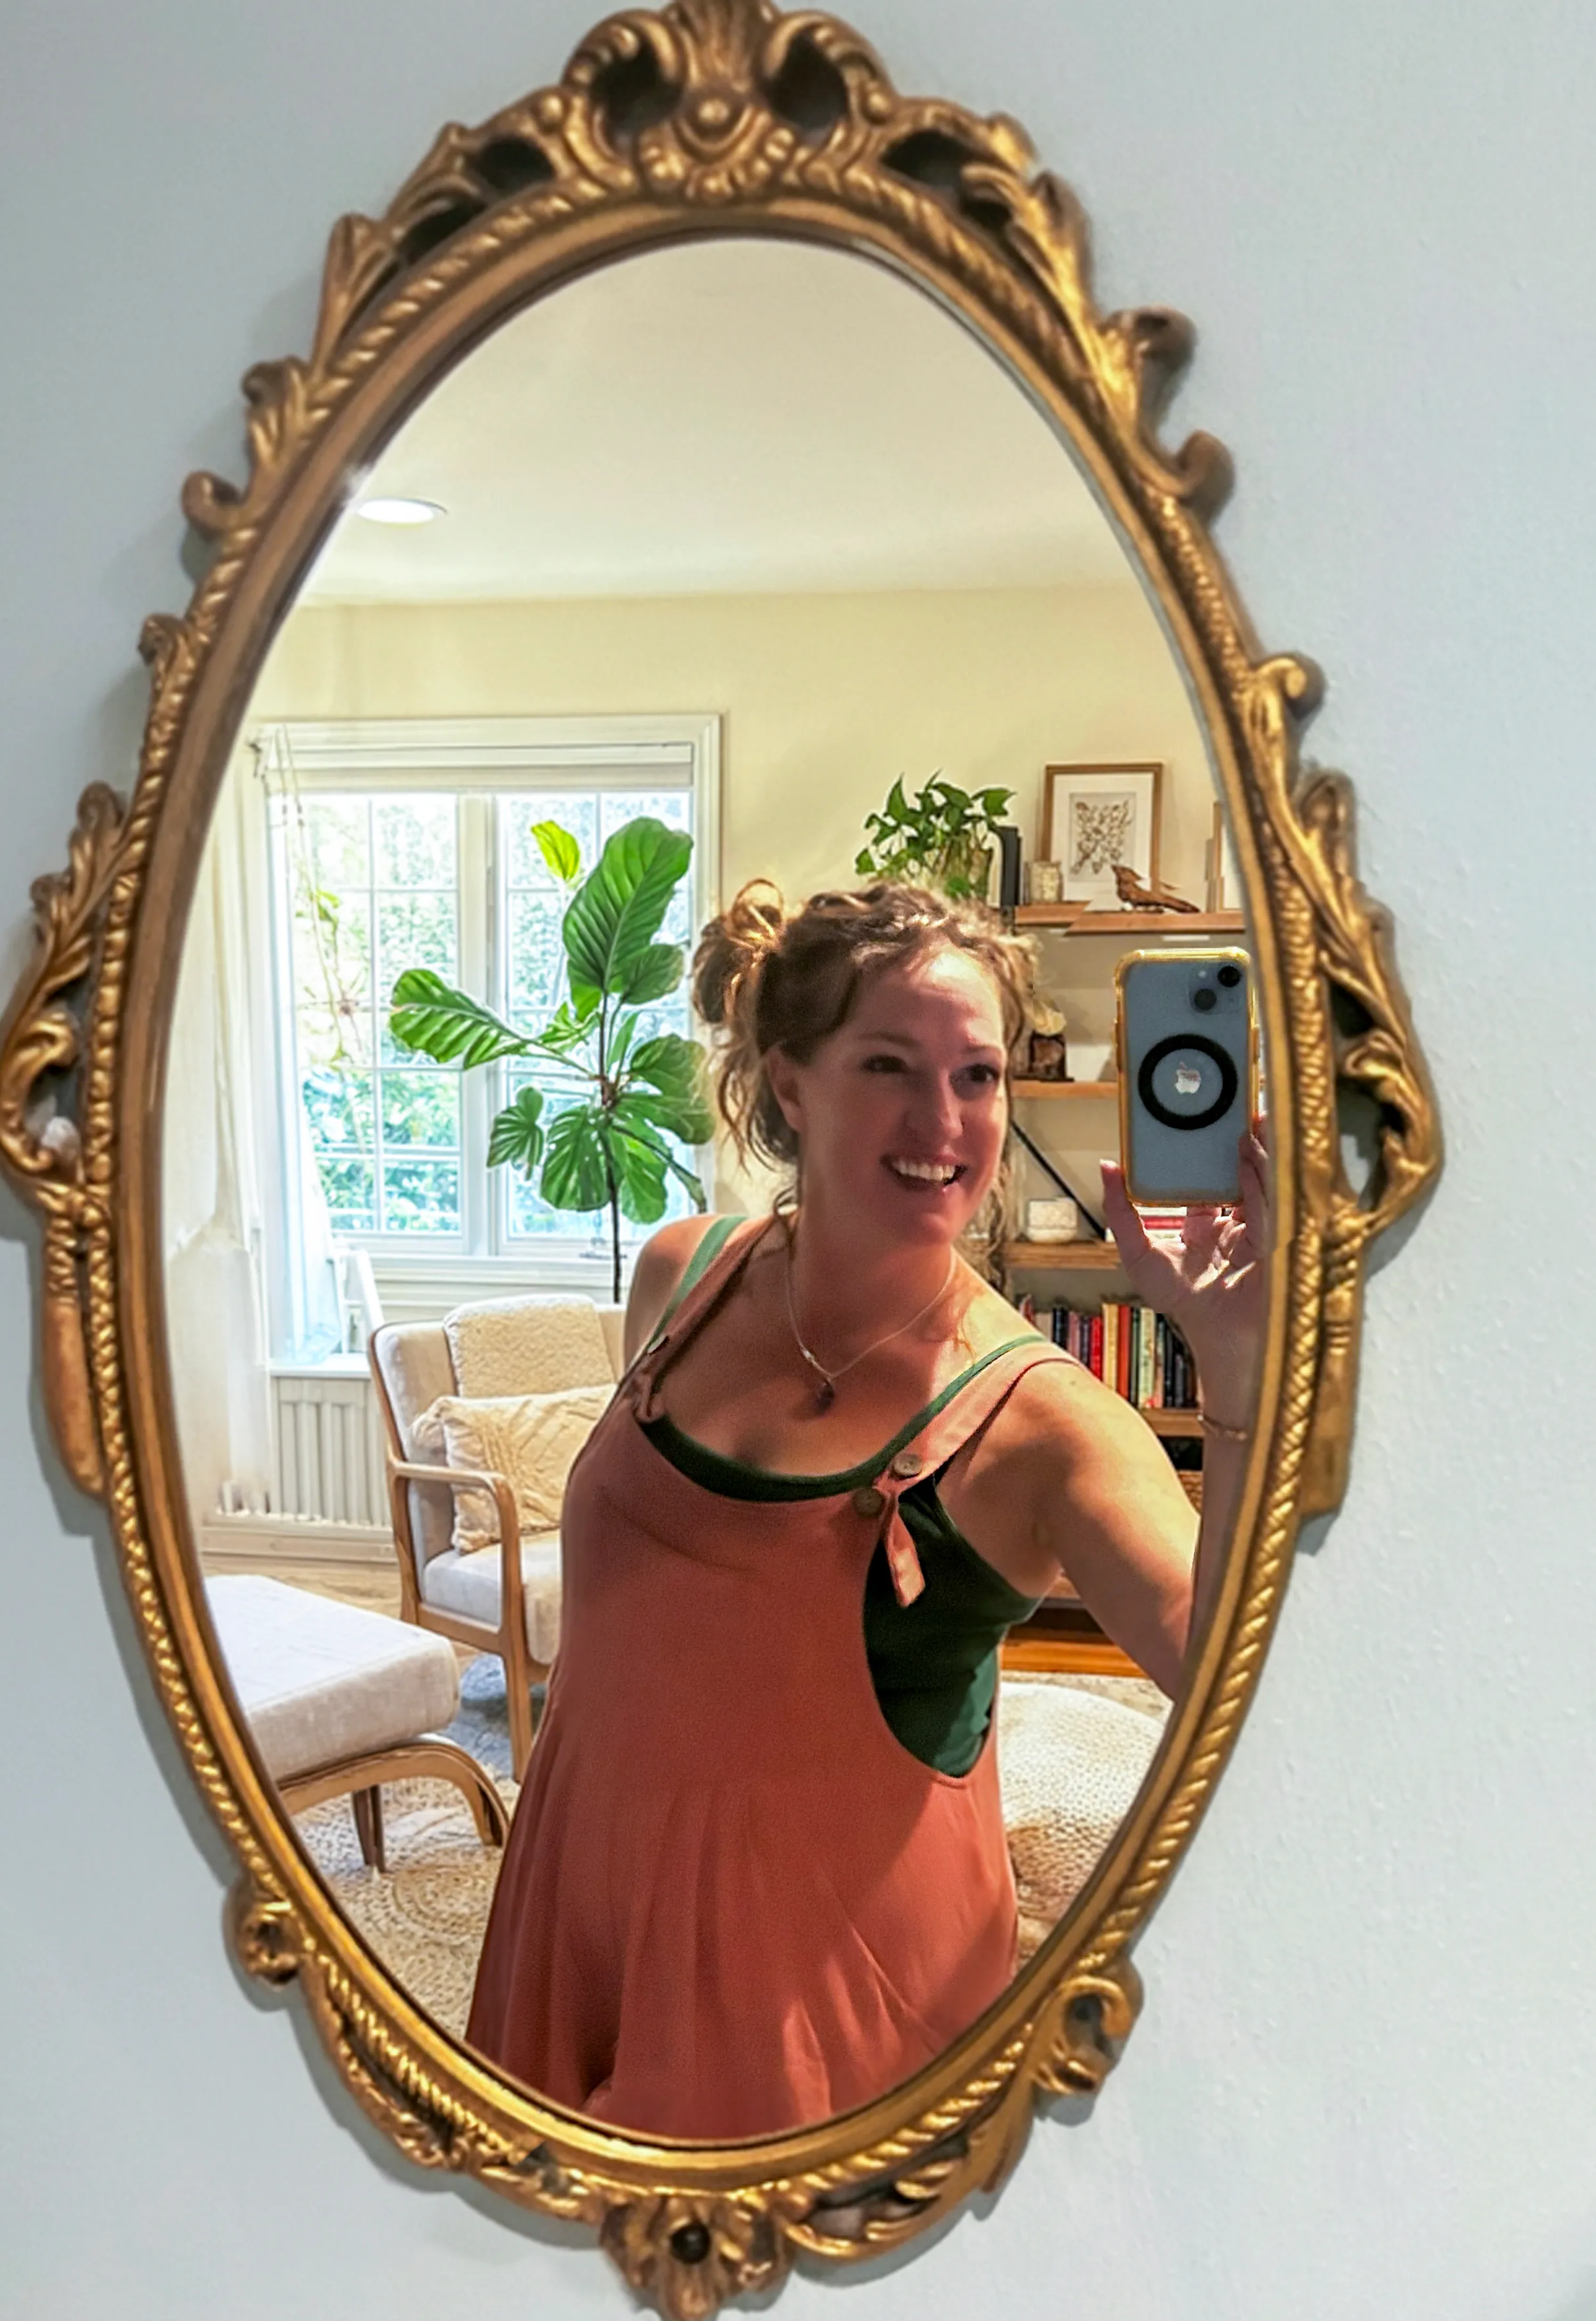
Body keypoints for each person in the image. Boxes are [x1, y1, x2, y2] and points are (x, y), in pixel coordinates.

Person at [464, 881, 1266, 2138]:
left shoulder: (1042, 1422)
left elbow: (1235, 1678)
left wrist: (1233, 1368)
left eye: (980, 1076)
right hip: (583, 1899)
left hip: (830, 2003)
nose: (944, 1121)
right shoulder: (681, 1275)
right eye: (891, 1064)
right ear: (790, 1082)